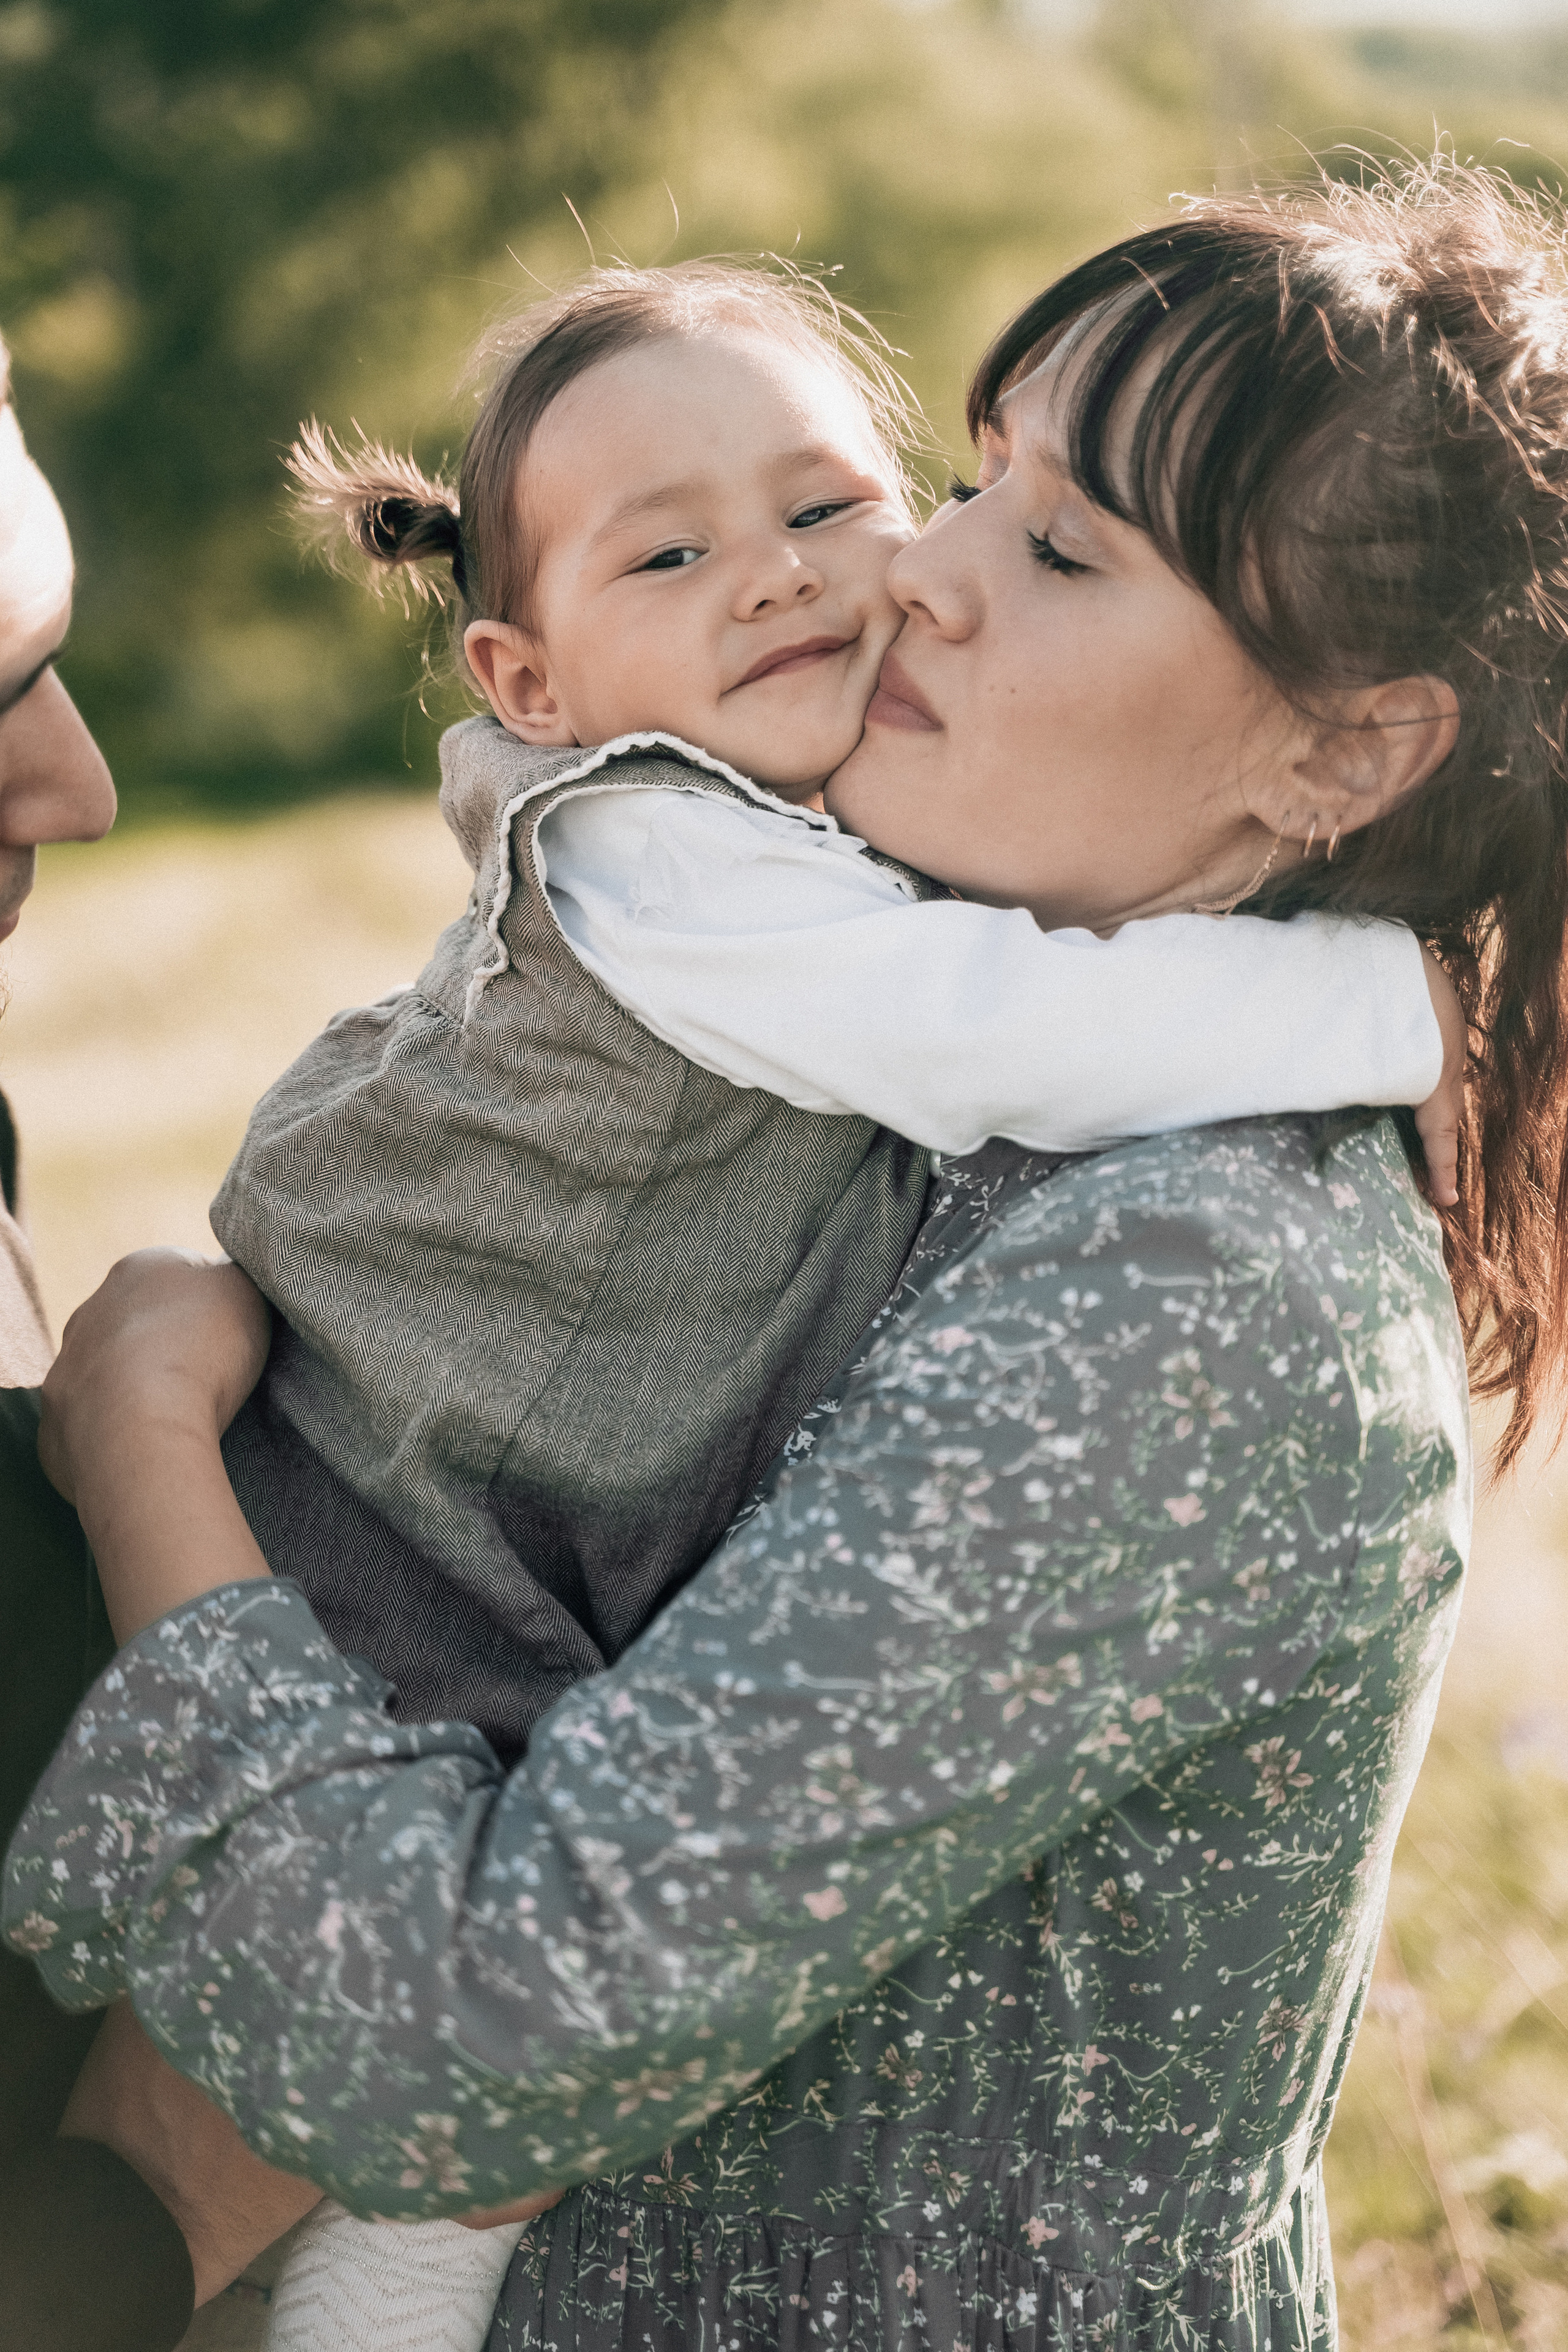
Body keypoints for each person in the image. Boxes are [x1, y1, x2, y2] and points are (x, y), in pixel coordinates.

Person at [9, 159, 1562, 2351]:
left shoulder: (1205, 1280)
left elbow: (459, 2046)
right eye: (966, 481)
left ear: (1350, 750)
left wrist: (142, 1434)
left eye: (1056, 545)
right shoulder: (899, 1006)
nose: (908, 577)